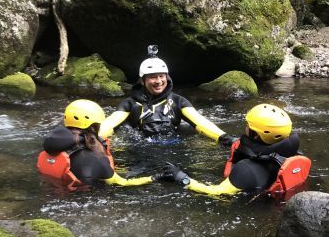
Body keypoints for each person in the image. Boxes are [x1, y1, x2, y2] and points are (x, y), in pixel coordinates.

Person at [98, 46, 237, 147]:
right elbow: (111, 123)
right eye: (153, 77)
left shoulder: (178, 101)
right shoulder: (129, 104)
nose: (158, 81)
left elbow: (200, 122)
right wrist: (95, 138)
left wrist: (225, 138)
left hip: (174, 147)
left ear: (167, 77)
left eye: (161, 76)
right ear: (143, 80)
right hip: (140, 149)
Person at [160, 104, 311, 197]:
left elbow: (216, 193)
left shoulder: (246, 170)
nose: (245, 127)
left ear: (256, 134)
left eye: (248, 125)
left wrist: (181, 178)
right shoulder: (290, 151)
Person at [37, 99, 156, 189]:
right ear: (94, 126)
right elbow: (122, 184)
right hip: (82, 200)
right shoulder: (94, 158)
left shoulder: (54, 145)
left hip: (54, 191)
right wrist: (155, 178)